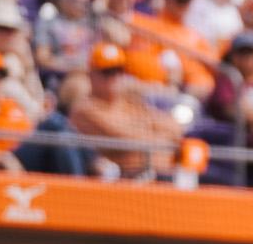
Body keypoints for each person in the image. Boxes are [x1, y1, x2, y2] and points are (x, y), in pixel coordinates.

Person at [69, 41, 183, 178]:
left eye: (119, 70)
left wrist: (141, 128)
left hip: (168, 174)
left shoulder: (130, 103)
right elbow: (128, 142)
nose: (115, 77)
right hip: (126, 180)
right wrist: (154, 132)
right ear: (91, 74)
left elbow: (175, 127)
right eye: (107, 72)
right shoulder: (84, 110)